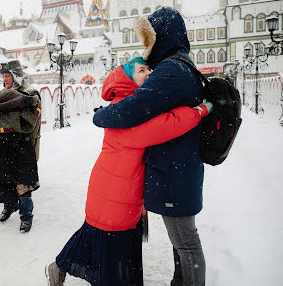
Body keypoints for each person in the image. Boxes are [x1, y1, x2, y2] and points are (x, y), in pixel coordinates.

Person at [46, 57, 212, 286]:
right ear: (125, 78)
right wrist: (200, 110)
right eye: (141, 70)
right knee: (106, 239)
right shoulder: (126, 109)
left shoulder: (132, 103)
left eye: (149, 69)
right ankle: (63, 268)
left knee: (97, 236)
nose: (149, 73)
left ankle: (59, 268)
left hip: (120, 184)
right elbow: (164, 126)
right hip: (114, 187)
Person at [93, 7, 208, 286]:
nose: (147, 48)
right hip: (179, 166)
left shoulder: (171, 69)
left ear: (161, 37)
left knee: (185, 241)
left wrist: (100, 115)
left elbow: (134, 108)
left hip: (174, 170)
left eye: (150, 40)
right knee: (181, 240)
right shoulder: (183, 64)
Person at [0, 59, 41, 233]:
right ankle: (10, 205)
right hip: (2, 145)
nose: (5, 79)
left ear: (16, 76)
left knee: (23, 182)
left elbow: (32, 120)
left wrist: (15, 109)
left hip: (21, 143)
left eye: (8, 75)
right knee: (3, 179)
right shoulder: (1, 95)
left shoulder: (29, 92)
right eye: (3, 76)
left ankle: (26, 216)